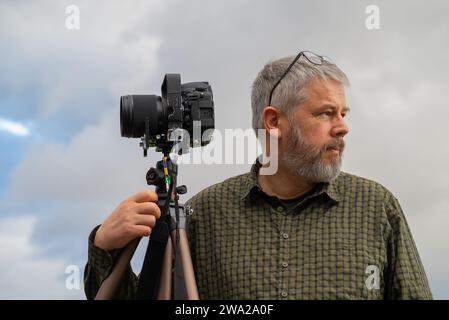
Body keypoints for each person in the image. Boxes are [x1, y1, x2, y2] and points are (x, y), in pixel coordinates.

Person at [84, 51, 432, 300]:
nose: (343, 127)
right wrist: (105, 246)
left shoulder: (376, 207)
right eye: (326, 113)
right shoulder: (204, 215)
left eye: (343, 113)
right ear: (273, 121)